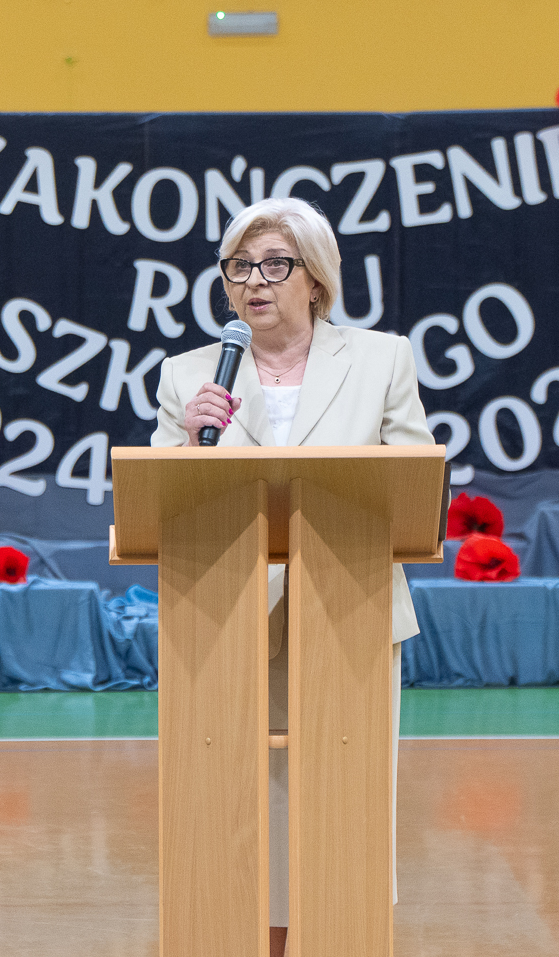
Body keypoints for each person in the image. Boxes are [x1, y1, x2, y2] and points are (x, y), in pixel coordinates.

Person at [152, 197, 433, 955]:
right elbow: (158, 499)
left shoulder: (381, 360)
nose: (254, 281)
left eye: (275, 265)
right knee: (233, 796)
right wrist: (188, 439)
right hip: (223, 613)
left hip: (349, 605)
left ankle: (343, 932)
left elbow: (416, 480)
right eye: (239, 267)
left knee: (348, 789)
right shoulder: (188, 376)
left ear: (316, 280)